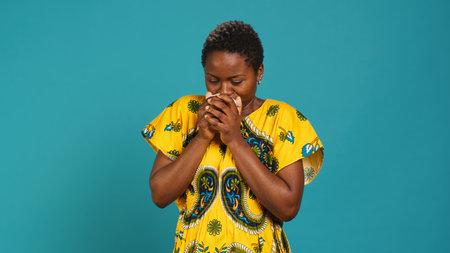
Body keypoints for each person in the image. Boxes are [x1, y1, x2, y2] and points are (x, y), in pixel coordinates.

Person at [141, 20, 324, 253]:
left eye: (236, 82)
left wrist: (235, 140)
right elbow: (159, 195)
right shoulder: (185, 113)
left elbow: (288, 207)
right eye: (213, 80)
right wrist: (202, 137)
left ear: (259, 73)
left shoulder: (284, 120)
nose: (224, 91)